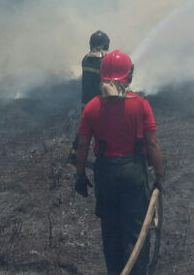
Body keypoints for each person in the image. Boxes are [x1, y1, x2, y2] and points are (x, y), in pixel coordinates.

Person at [73, 50, 165, 275]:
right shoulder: (141, 105)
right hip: (133, 172)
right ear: (129, 76)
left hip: (105, 174)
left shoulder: (92, 107)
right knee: (136, 231)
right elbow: (152, 145)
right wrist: (160, 177)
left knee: (111, 232)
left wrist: (80, 175)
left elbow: (83, 145)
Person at [68, 30, 110, 165]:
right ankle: (105, 158)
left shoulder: (86, 59)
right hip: (99, 103)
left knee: (84, 130)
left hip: (86, 103)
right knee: (103, 131)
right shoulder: (102, 62)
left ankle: (73, 155)